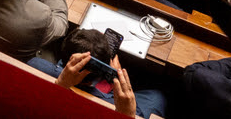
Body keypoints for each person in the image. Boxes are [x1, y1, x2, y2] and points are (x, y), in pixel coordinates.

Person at [31, 29, 163, 118]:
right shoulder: (111, 106)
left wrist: (61, 85)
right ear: (103, 71)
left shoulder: (36, 66)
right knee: (156, 97)